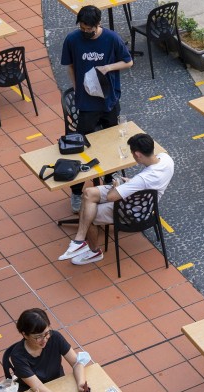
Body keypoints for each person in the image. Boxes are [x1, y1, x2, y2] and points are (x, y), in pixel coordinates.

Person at [59, 133, 174, 265]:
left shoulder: (141, 180)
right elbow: (148, 183)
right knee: (88, 193)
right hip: (144, 200)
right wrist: (129, 182)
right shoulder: (166, 159)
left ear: (137, 154)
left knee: (86, 215)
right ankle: (79, 240)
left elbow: (111, 197)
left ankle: (94, 252)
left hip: (132, 211)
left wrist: (116, 186)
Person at [60, 5, 133, 213]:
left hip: (109, 100)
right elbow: (70, 66)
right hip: (86, 105)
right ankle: (76, 192)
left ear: (97, 25)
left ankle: (109, 182)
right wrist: (76, 87)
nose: (85, 32)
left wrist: (108, 67)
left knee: (112, 142)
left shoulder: (111, 38)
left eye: (88, 30)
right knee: (82, 148)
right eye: (82, 28)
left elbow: (128, 62)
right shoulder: (73, 40)